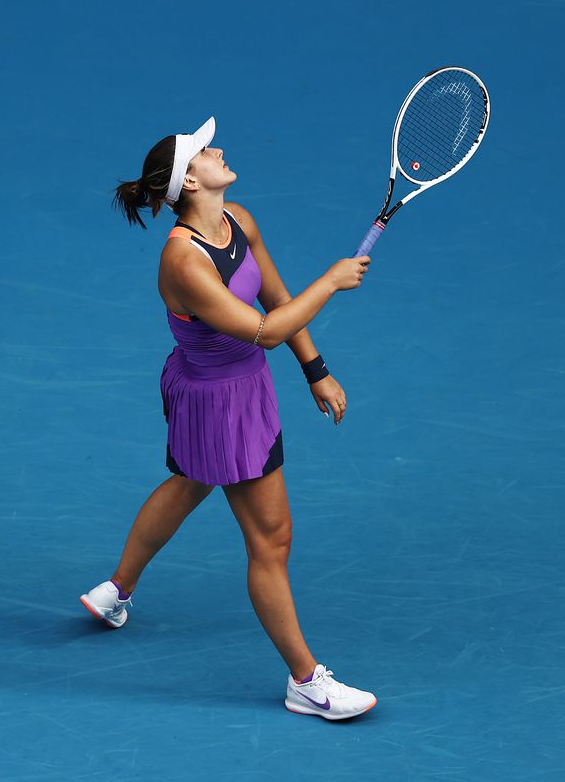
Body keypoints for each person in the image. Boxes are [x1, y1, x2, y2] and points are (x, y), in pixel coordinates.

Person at [80, 117, 376, 720]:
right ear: (189, 181)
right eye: (204, 150)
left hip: (232, 387)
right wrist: (333, 281)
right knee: (272, 540)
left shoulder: (238, 218)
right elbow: (265, 330)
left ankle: (116, 591)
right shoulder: (184, 261)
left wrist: (315, 368)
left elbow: (273, 295)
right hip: (220, 401)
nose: (217, 148)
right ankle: (306, 682)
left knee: (192, 480)